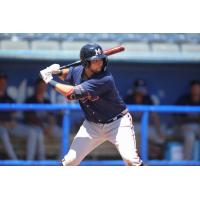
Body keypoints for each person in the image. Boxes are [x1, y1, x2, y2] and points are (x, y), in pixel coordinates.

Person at [40, 43, 143, 166]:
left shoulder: (104, 79)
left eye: (101, 59)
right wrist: (56, 71)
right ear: (85, 63)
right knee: (69, 162)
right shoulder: (78, 71)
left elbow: (71, 94)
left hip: (118, 123)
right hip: (92, 126)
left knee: (131, 160)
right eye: (95, 60)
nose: (100, 63)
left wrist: (48, 80)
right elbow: (68, 74)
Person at [0, 73, 44, 160]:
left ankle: (29, 162)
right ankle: (15, 161)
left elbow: (14, 113)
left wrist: (12, 121)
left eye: (4, 83)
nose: (2, 85)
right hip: (1, 126)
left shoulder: (8, 98)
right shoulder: (31, 99)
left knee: (32, 132)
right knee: (3, 132)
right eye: (1, 83)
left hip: (11, 125)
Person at [24, 78, 61, 158]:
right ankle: (42, 161)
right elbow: (30, 118)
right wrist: (44, 127)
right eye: (40, 86)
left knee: (62, 133)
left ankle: (63, 160)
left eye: (44, 86)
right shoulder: (30, 100)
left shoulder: (47, 101)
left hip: (46, 126)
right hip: (35, 126)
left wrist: (50, 127)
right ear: (37, 87)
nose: (42, 88)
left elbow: (52, 117)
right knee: (39, 134)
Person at [174, 80, 200, 160]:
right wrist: (181, 125)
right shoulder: (183, 99)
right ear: (190, 89)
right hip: (185, 127)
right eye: (194, 88)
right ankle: (187, 163)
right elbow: (175, 115)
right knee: (190, 137)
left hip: (198, 127)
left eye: (197, 88)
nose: (195, 90)